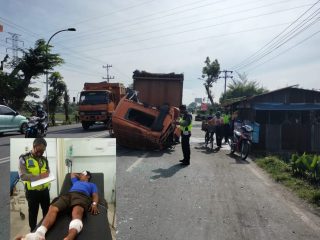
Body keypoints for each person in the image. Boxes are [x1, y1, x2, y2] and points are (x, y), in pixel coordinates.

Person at [18, 171, 100, 240]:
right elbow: (72, 174)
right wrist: (80, 174)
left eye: (83, 173)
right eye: (81, 173)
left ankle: (69, 237)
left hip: (82, 196)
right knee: (52, 207)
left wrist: (94, 204)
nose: (81, 174)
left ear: (88, 176)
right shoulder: (76, 181)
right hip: (68, 195)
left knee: (77, 211)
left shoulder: (92, 185)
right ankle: (39, 234)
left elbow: (95, 195)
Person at [19, 138, 50, 232]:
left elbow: (47, 172)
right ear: (34, 147)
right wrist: (40, 176)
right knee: (33, 213)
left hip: (44, 191)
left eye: (43, 151)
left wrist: (49, 175)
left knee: (47, 212)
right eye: (39, 150)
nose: (40, 153)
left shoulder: (44, 159)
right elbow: (23, 176)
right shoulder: (24, 158)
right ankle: (33, 231)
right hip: (32, 192)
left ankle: (45, 229)